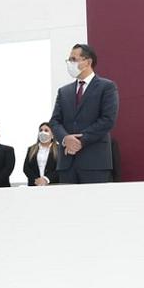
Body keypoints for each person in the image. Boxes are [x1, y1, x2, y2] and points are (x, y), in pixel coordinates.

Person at [50, 43, 119, 184]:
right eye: (69, 60)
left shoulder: (107, 87)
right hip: (67, 163)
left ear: (88, 62)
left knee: (94, 205)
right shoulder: (64, 91)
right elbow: (55, 121)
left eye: (73, 59)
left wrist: (81, 141)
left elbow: (107, 120)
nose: (70, 63)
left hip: (95, 162)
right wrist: (65, 139)